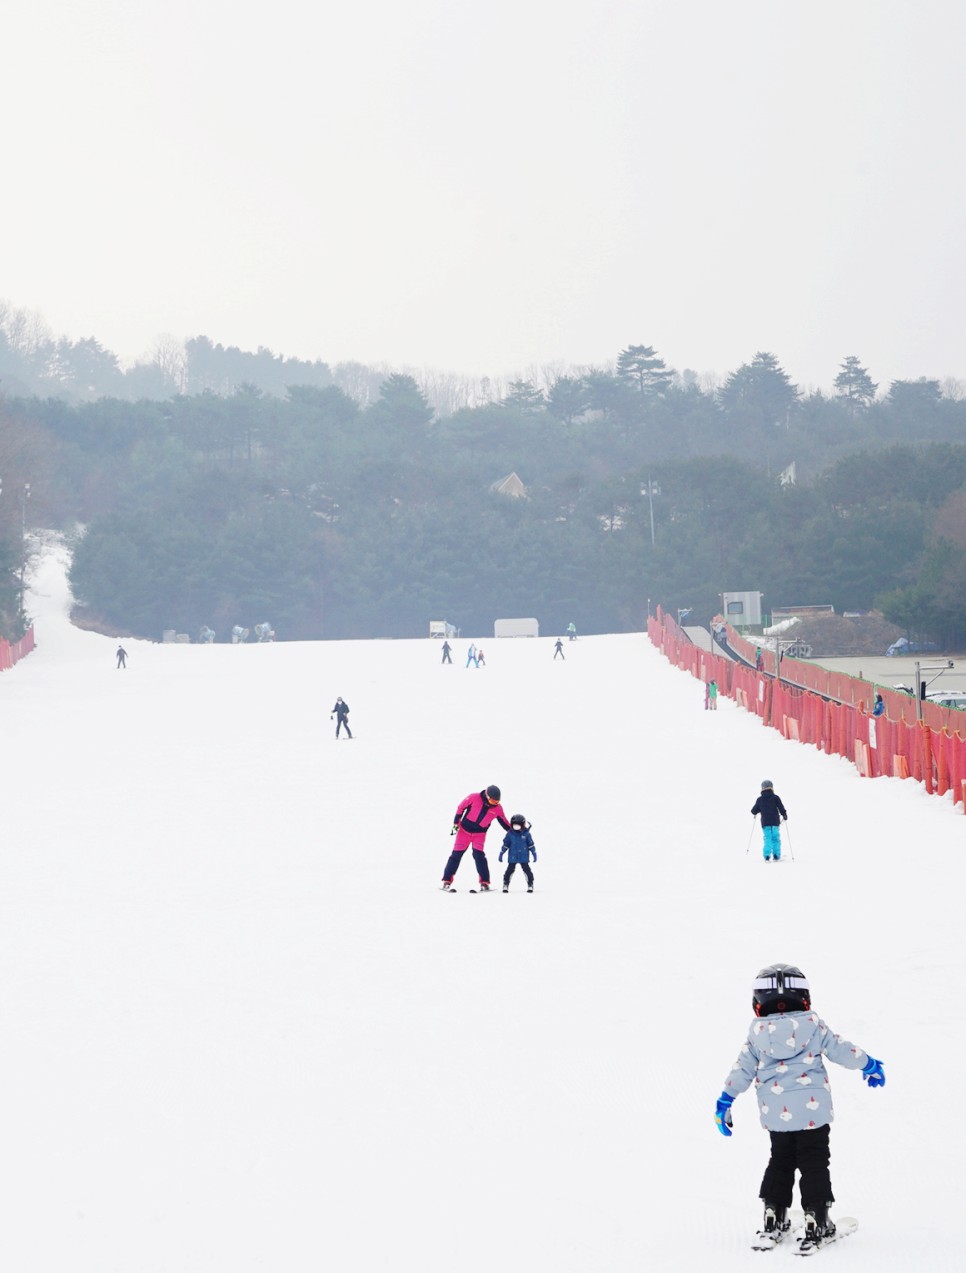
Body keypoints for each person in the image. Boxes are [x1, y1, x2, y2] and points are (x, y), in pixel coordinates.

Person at [714, 963, 885, 1251]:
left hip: (776, 1114)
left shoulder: (757, 1034)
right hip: (812, 1113)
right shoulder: (813, 1026)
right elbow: (841, 1049)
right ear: (804, 998)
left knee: (780, 1159)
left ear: (758, 1003)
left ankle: (773, 1216)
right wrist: (868, 1064)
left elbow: (741, 1070)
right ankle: (816, 1219)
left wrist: (725, 1100)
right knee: (814, 1160)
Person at [441, 785, 511, 891]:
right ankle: (447, 881)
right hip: (464, 831)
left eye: (497, 802)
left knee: (479, 856)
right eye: (493, 801)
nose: (495, 804)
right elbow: (460, 808)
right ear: (487, 796)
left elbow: (504, 822)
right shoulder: (474, 797)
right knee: (456, 855)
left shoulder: (498, 808)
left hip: (479, 834)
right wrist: (455, 824)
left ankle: (485, 883)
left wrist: (515, 832)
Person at [499, 814, 537, 892]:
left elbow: (531, 844)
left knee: (527, 870)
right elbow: (506, 844)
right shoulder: (510, 834)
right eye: (514, 825)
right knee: (509, 870)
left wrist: (534, 853)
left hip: (524, 856)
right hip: (513, 856)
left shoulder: (526, 834)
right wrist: (502, 852)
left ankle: (530, 884)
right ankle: (506, 883)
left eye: (518, 825)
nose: (516, 827)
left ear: (523, 825)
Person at [751, 779, 786, 861]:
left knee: (767, 838)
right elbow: (781, 808)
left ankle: (767, 855)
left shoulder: (760, 799)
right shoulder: (776, 798)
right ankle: (776, 855)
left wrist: (758, 810)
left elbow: (753, 811)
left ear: (762, 788)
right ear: (772, 787)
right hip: (775, 822)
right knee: (775, 838)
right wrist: (784, 814)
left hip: (765, 822)